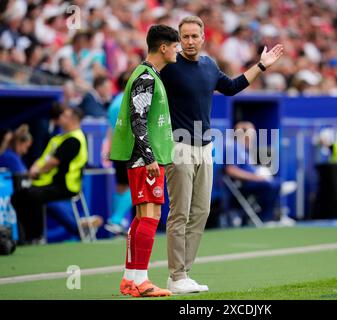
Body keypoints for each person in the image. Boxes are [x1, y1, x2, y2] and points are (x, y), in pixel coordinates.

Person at [160, 16, 284, 294]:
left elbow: (232, 87)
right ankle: (176, 275)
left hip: (205, 148)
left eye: (195, 36)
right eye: (185, 37)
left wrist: (261, 66)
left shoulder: (209, 65)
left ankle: (183, 274)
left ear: (203, 38)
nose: (190, 41)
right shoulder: (167, 67)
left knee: (201, 211)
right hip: (178, 147)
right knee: (179, 213)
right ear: (178, 40)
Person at [110, 25, 179, 298]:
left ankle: (130, 279)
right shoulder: (147, 77)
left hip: (143, 156)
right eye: (175, 46)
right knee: (150, 217)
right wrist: (149, 156)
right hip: (145, 158)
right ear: (164, 47)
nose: (178, 51)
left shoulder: (145, 74)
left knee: (141, 218)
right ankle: (142, 281)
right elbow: (138, 118)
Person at [11, 107, 92, 244]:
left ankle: (35, 237)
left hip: (66, 186)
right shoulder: (61, 138)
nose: (61, 118)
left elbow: (53, 162)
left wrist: (36, 172)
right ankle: (26, 236)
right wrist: (36, 167)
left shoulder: (74, 139)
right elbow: (45, 157)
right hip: (50, 183)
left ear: (72, 119)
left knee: (32, 196)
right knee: (21, 196)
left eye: (65, 116)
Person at [224, 121, 296, 224]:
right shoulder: (233, 148)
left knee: (275, 183)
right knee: (272, 186)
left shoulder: (244, 150)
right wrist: (254, 177)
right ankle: (266, 218)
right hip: (244, 185)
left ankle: (277, 216)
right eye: (250, 134)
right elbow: (231, 170)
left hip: (253, 181)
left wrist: (260, 173)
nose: (252, 138)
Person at [103, 71, 134, 236]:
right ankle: (116, 219)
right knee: (138, 186)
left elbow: (110, 129)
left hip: (118, 149)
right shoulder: (129, 101)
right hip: (130, 149)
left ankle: (117, 224)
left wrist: (108, 149)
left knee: (121, 187)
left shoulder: (115, 102)